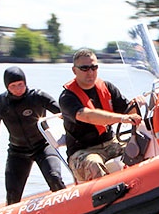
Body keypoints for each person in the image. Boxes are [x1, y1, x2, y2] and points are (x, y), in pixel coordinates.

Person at [0, 66, 66, 205]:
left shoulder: (37, 96)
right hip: (17, 151)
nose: (18, 89)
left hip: (43, 146)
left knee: (54, 179)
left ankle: (69, 211)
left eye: (20, 85)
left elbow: (63, 114)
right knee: (12, 195)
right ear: (7, 86)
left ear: (25, 82)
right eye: (13, 86)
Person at [59, 49, 142, 182]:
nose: (90, 72)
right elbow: (87, 116)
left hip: (110, 143)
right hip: (83, 152)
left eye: (94, 67)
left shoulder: (107, 87)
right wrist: (121, 118)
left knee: (141, 148)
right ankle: (111, 197)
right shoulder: (67, 97)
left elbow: (130, 112)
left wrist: (137, 104)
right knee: (94, 164)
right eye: (85, 68)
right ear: (75, 71)